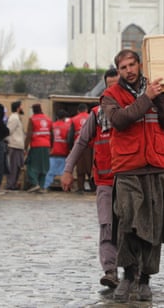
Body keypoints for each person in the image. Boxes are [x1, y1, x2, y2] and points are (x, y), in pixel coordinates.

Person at [101, 49, 164, 303]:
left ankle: (146, 279)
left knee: (153, 226)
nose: (128, 71)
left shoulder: (156, 90)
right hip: (127, 168)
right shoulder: (110, 95)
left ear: (140, 64)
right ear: (118, 70)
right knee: (127, 222)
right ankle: (127, 274)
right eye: (123, 67)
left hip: (155, 166)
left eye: (132, 65)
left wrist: (160, 99)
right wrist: (146, 98)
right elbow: (121, 120)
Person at [61, 67, 120, 289]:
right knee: (107, 225)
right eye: (110, 86)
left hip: (130, 180)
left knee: (131, 227)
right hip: (105, 180)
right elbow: (80, 143)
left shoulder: (133, 112)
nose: (113, 90)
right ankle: (110, 270)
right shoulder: (96, 115)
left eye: (118, 85)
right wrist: (68, 170)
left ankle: (134, 271)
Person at [24, 103, 52, 193]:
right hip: (46, 146)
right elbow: (53, 134)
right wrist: (51, 146)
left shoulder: (32, 119)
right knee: (44, 167)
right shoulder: (48, 119)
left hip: (36, 146)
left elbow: (29, 134)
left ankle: (35, 183)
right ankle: (42, 186)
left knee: (31, 166)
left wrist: (25, 147)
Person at [43, 109, 73, 191]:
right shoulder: (67, 127)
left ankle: (45, 187)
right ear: (64, 118)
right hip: (64, 153)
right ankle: (66, 188)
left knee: (49, 173)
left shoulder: (52, 126)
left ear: (56, 117)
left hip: (52, 153)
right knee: (65, 173)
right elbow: (69, 140)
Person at [71, 103, 93, 192]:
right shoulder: (92, 117)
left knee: (80, 168)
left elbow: (70, 135)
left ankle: (81, 188)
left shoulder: (73, 119)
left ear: (78, 111)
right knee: (91, 167)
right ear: (87, 110)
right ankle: (93, 188)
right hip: (90, 146)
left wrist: (70, 148)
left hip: (78, 146)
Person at [6, 101, 25, 191]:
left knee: (17, 167)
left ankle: (13, 184)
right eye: (21, 106)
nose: (22, 108)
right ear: (18, 108)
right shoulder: (14, 118)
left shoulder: (17, 118)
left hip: (18, 146)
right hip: (14, 145)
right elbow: (8, 131)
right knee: (13, 166)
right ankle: (10, 184)